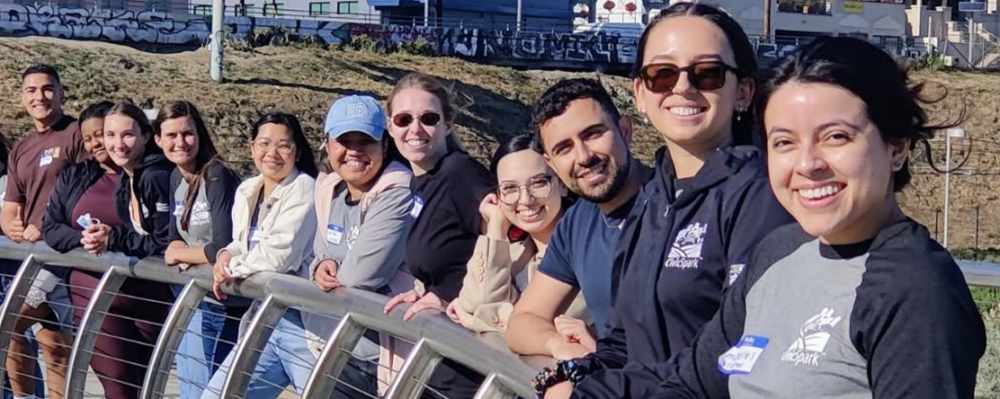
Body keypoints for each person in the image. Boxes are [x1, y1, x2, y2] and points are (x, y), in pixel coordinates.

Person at [623, 36, 986, 399]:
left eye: (836, 137)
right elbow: (690, 385)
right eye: (784, 142)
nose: (808, 164)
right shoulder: (777, 251)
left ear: (896, 147)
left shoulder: (914, 289)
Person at [536, 4, 794, 398]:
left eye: (707, 73)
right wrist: (568, 376)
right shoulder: (653, 199)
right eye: (662, 74)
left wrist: (599, 392)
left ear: (743, 90)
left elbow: (734, 351)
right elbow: (623, 343)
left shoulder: (761, 196)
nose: (683, 87)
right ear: (640, 94)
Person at [505, 79, 649, 361]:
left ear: (625, 130)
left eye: (593, 134)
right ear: (551, 163)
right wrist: (559, 346)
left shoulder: (677, 204)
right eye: (564, 148)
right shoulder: (578, 223)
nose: (583, 156)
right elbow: (522, 321)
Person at [42, 101, 173, 399]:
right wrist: (85, 239)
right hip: (96, 298)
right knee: (119, 387)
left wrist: (114, 238)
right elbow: (50, 228)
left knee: (147, 388)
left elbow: (163, 234)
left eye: (103, 134)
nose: (99, 143)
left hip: (149, 296)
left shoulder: (150, 174)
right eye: (88, 139)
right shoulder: (75, 177)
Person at [380, 72, 494, 398]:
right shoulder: (421, 180)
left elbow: (510, 240)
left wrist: (451, 297)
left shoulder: (460, 173)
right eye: (403, 119)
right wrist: (426, 289)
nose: (415, 129)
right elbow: (453, 251)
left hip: (471, 361)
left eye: (428, 118)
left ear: (448, 124)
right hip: (444, 352)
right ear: (391, 127)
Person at [299, 95, 415, 398]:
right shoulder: (329, 191)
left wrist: (333, 266)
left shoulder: (399, 193)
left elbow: (359, 277)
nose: (354, 151)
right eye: (344, 140)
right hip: (338, 347)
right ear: (326, 144)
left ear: (385, 145)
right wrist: (320, 264)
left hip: (387, 359)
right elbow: (318, 251)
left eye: (365, 140)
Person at [201, 113, 318, 399]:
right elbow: (244, 242)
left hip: (303, 325)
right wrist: (227, 255)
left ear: (297, 151)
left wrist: (231, 269)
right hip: (266, 320)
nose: (272, 154)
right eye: (264, 143)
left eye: (283, 145)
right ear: (252, 147)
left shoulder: (305, 188)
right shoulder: (247, 190)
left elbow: (280, 256)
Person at [446, 134, 590, 335]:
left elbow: (551, 326)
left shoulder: (586, 248)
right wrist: (496, 227)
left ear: (562, 184)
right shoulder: (515, 254)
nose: (525, 199)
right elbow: (476, 301)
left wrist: (479, 321)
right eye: (510, 188)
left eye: (539, 183)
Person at [2, 64, 87, 399]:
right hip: (34, 259)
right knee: (52, 347)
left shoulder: (76, 134)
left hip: (64, 257)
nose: (40, 96)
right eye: (32, 90)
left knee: (8, 325)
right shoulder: (21, 148)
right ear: (22, 97)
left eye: (48, 88)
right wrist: (10, 224)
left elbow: (88, 192)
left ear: (62, 92)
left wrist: (50, 226)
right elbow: (11, 206)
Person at [154, 101, 245, 399]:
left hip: (223, 303)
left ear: (200, 134)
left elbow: (222, 245)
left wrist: (182, 255)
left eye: (187, 133)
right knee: (193, 390)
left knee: (213, 391)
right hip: (194, 298)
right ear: (158, 140)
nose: (180, 142)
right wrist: (183, 252)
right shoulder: (175, 177)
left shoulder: (216, 175)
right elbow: (172, 237)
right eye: (171, 136)